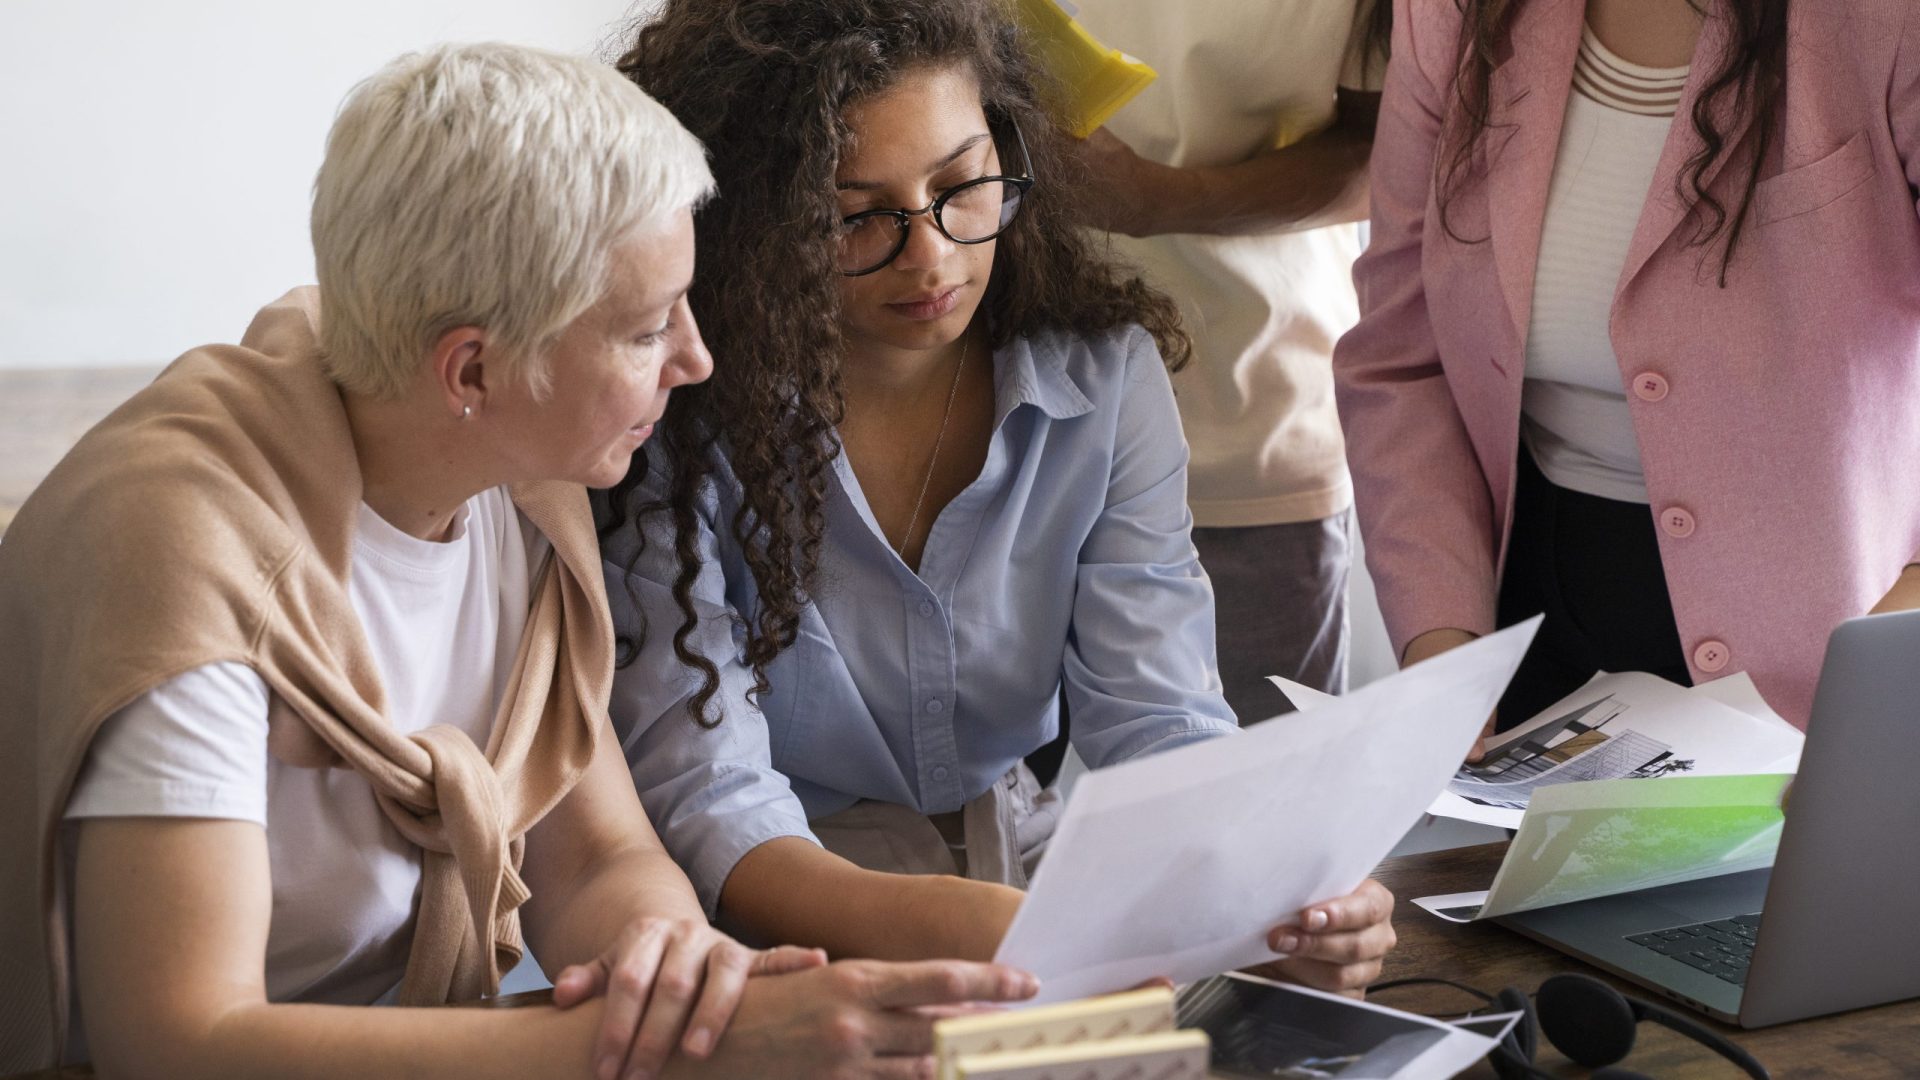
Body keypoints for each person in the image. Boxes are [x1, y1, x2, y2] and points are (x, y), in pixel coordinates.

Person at [0, 43, 1035, 1078]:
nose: (695, 358)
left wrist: (680, 981)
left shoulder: (518, 485)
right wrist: (626, 1051)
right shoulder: (185, 565)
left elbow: (596, 860)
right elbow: (177, 1041)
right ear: (473, 369)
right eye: (643, 330)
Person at [601, 0, 1395, 994]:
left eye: (962, 186)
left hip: (1025, 889)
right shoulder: (678, 412)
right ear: (759, 220)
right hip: (775, 930)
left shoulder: (1103, 381)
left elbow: (1160, 723)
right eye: (858, 216)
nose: (931, 257)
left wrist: (1270, 895)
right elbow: (708, 795)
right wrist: (987, 925)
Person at [1335, 0, 1920, 750]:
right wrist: (1445, 657)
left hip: (1844, 630)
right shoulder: (1452, 14)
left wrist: (1886, 654)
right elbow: (1402, 355)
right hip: (1530, 611)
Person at [1065, 0, 1389, 721]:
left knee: (1261, 803)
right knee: (971, 813)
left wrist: (1156, 198)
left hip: (1243, 421)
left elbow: (1392, 152)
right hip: (995, 415)